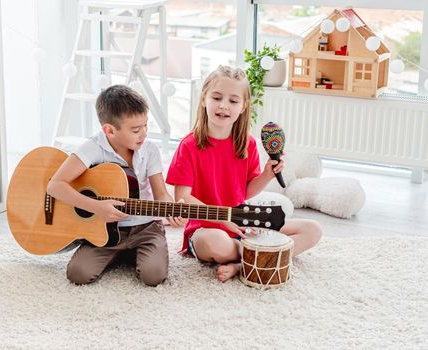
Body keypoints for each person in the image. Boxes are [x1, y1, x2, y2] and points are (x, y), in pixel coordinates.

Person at [166, 65, 322, 282]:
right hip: (205, 230)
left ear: (243, 106)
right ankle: (262, 255)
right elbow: (182, 198)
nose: (223, 106)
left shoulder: (247, 144)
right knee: (218, 243)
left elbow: (245, 193)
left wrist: (267, 175)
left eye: (233, 100)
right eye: (217, 97)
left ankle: (242, 265)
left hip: (243, 223)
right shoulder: (189, 146)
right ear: (204, 99)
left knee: (312, 230)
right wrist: (223, 219)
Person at [47, 85, 186, 286]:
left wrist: (173, 208)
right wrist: (95, 207)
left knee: (153, 276)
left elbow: (161, 194)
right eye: (136, 130)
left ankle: (132, 253)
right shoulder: (93, 147)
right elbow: (55, 186)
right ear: (109, 130)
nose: (144, 134)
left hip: (145, 229)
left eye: (146, 125)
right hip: (104, 231)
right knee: (78, 274)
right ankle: (121, 253)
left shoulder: (150, 150)